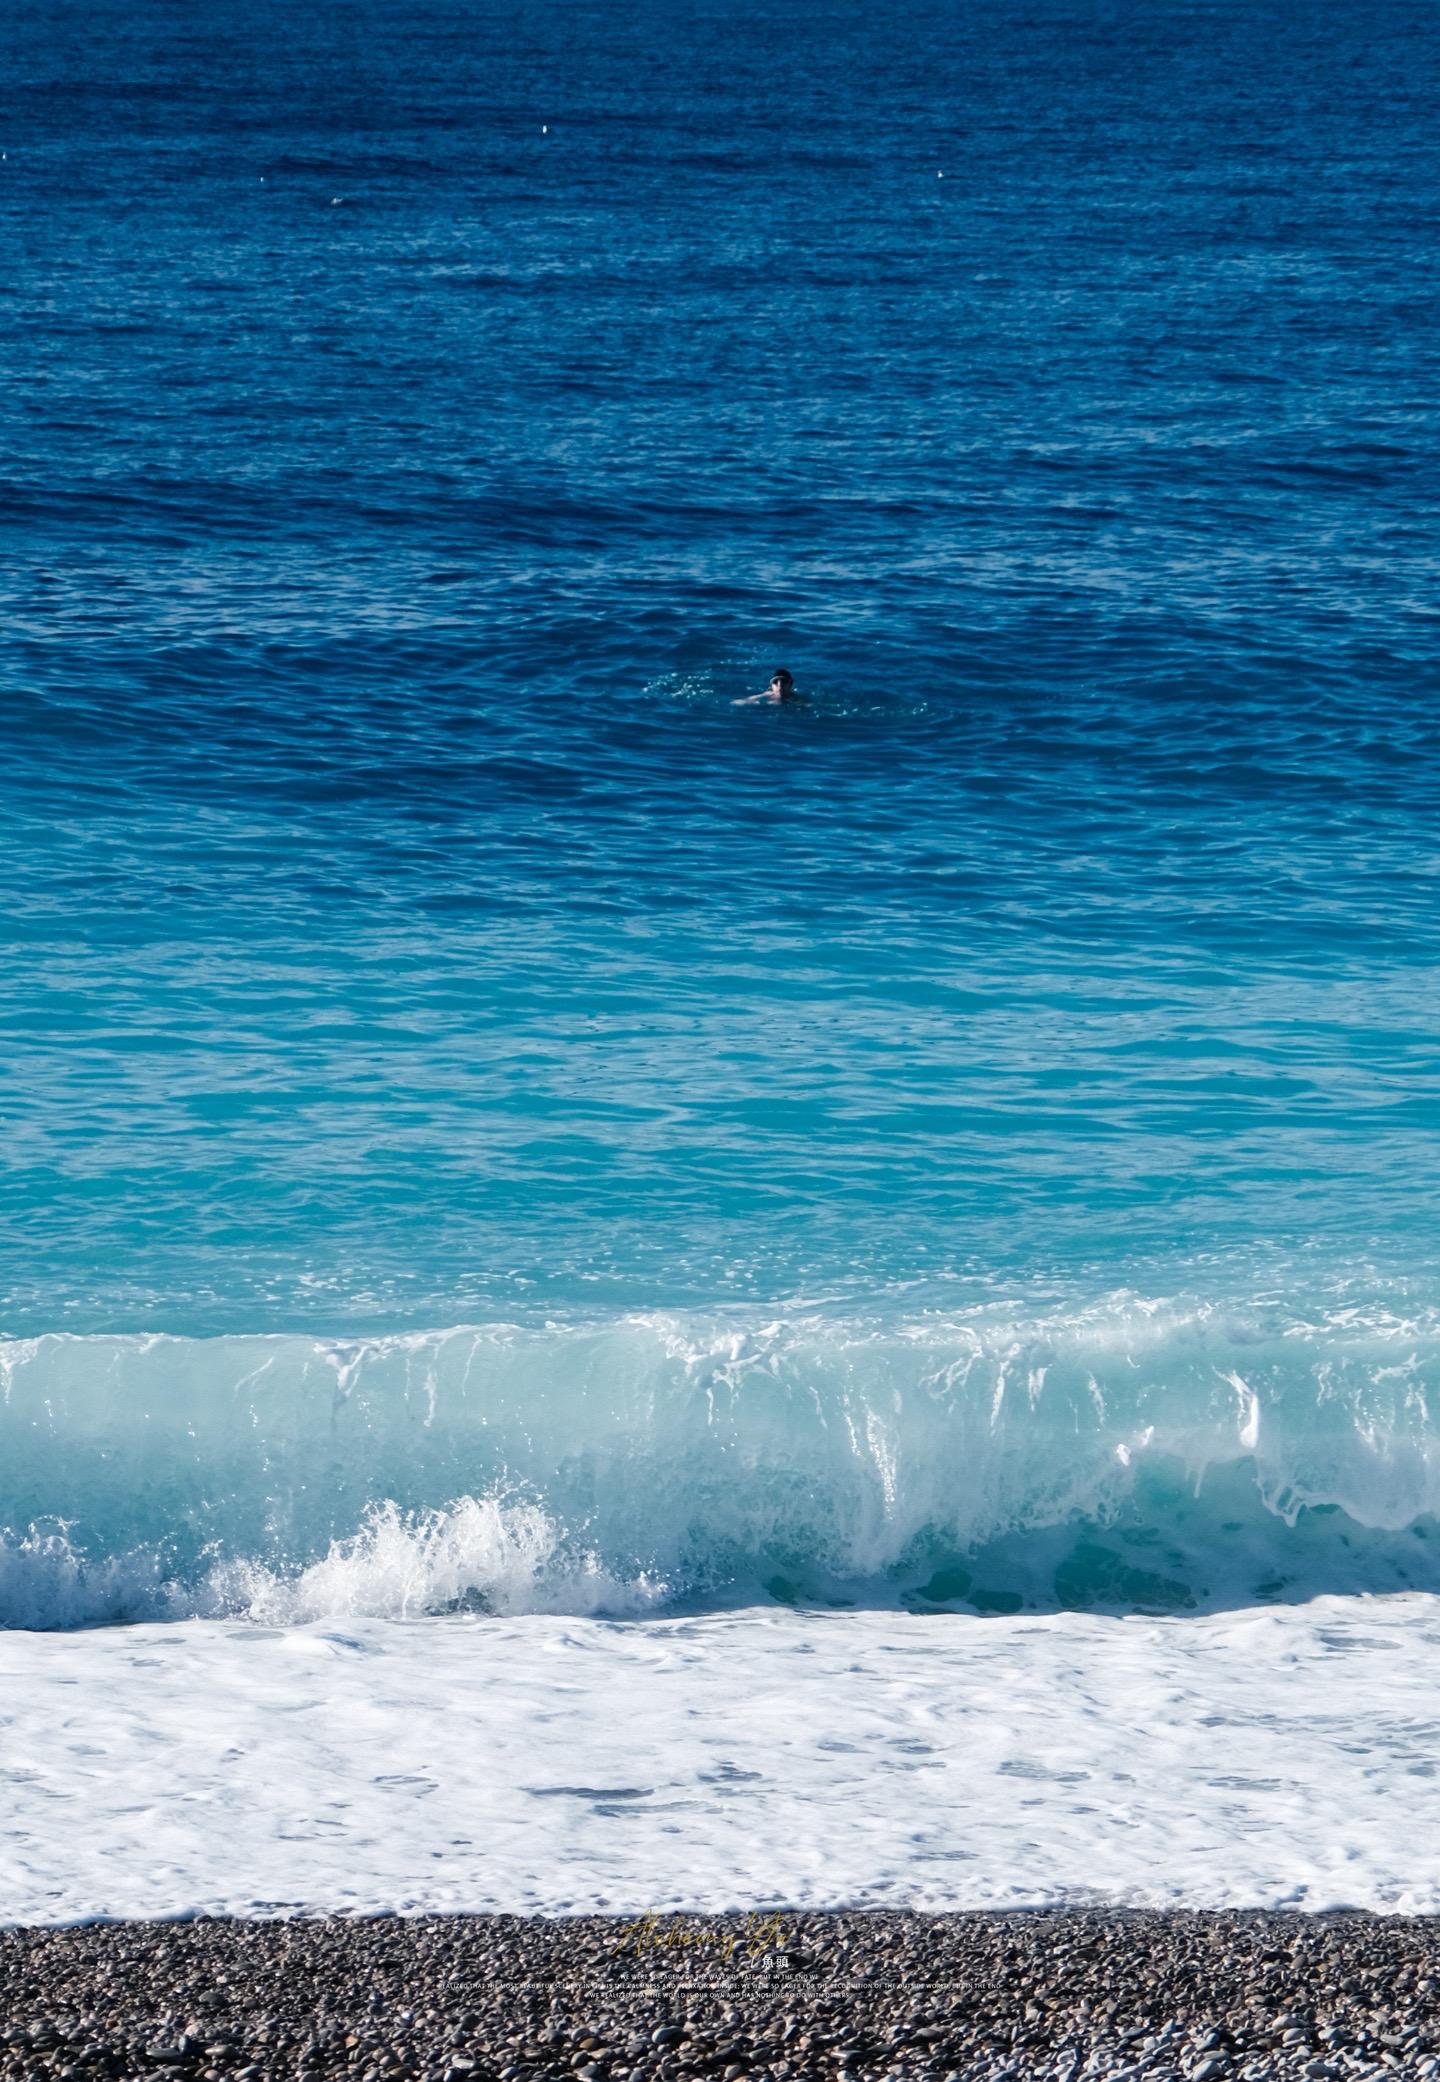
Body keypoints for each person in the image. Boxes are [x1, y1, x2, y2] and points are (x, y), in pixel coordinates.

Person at [734, 668, 802, 707]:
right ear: (771, 686)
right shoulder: (768, 694)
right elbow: (740, 701)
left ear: (790, 684)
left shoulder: (796, 698)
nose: (779, 685)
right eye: (775, 682)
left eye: (784, 681)